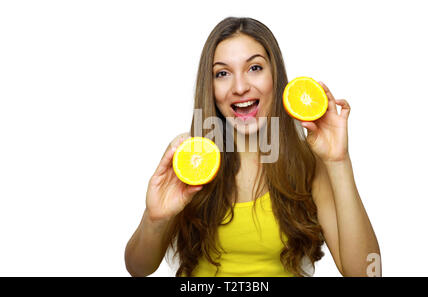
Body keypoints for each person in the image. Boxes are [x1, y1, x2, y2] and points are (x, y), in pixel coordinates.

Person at [124, 17, 381, 277]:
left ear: (275, 76)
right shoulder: (189, 158)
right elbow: (137, 268)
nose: (240, 87)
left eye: (255, 68)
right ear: (210, 86)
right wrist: (154, 219)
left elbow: (368, 274)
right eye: (222, 73)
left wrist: (338, 161)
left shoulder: (306, 164)